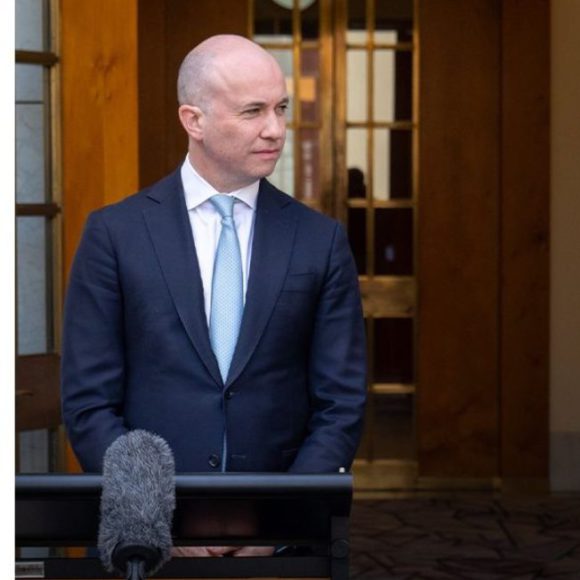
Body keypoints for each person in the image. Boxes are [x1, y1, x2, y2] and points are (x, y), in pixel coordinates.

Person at [62, 33, 365, 513]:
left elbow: (341, 404)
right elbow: (89, 404)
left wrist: (278, 517)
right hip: (149, 537)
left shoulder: (319, 240)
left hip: (284, 539)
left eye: (280, 108)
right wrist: (156, 512)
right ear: (193, 120)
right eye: (253, 112)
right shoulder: (115, 234)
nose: (275, 129)